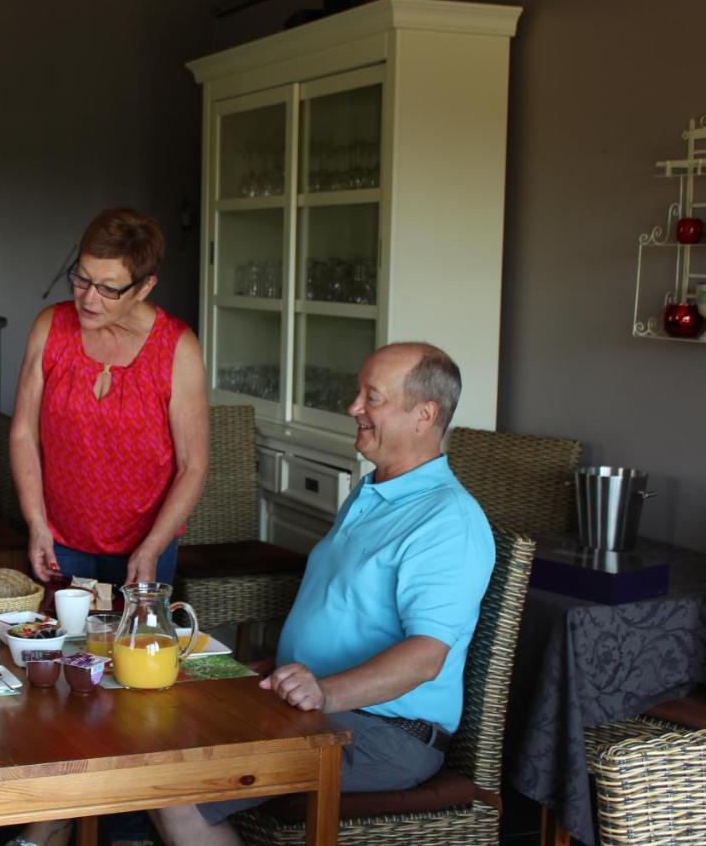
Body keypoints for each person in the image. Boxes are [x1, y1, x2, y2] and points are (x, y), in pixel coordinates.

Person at [150, 342, 495, 846]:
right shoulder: (374, 491)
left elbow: (425, 658)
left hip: (386, 735)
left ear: (424, 415)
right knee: (160, 731)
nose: (354, 407)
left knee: (174, 787)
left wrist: (325, 691)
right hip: (317, 709)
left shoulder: (447, 522)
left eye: (371, 397)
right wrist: (283, 669)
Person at [10, 206, 209, 589]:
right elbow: (23, 434)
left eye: (108, 288)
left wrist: (151, 549)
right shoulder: (50, 327)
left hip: (145, 546)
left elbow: (192, 466)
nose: (89, 299)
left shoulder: (177, 348)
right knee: (59, 648)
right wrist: (36, 524)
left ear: (145, 287)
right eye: (82, 279)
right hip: (59, 540)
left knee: (134, 647)